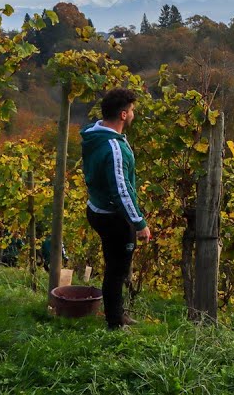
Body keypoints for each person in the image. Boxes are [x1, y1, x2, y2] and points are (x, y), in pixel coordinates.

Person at [82, 87, 151, 330]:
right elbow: (121, 190)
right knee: (117, 269)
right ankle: (115, 322)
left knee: (115, 264)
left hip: (97, 208)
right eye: (131, 111)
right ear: (123, 114)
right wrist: (139, 223)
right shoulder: (113, 146)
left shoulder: (95, 133)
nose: (133, 115)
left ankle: (118, 313)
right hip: (113, 216)